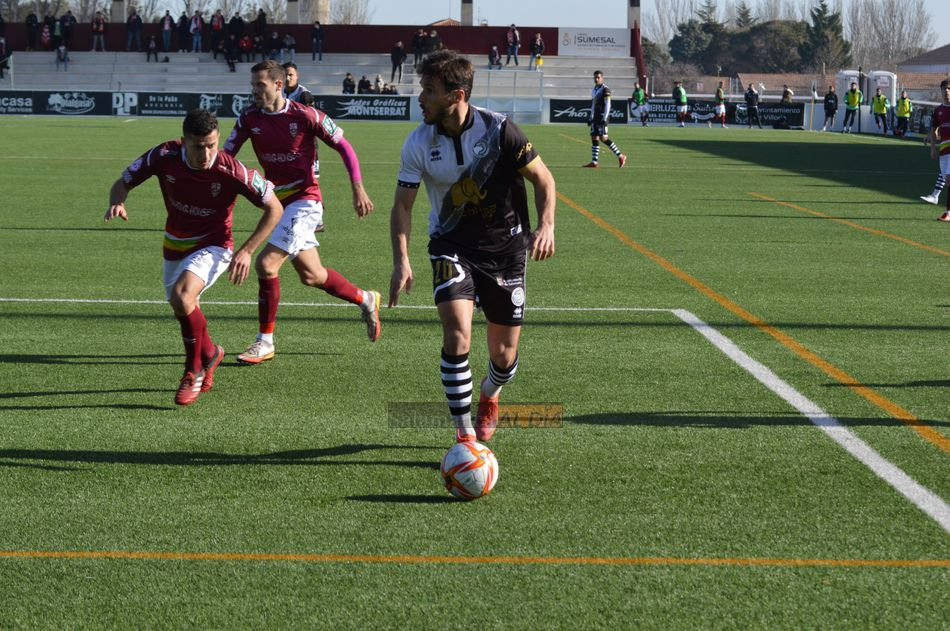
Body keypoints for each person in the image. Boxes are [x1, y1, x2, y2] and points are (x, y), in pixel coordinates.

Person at [389, 50, 556, 443]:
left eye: (429, 90)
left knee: (503, 356)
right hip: (451, 245)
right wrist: (402, 260)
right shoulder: (417, 142)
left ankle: (490, 393)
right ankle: (464, 437)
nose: (420, 97)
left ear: (456, 95)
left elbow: (544, 179)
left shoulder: (500, 131)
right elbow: (402, 206)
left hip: (506, 249)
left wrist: (546, 226)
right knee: (457, 333)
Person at [104, 108, 283, 405]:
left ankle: (193, 371)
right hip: (174, 244)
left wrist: (247, 251)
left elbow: (274, 208)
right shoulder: (163, 155)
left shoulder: (232, 170)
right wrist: (117, 201)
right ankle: (211, 354)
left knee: (182, 296)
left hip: (215, 245)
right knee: (181, 306)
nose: (206, 153)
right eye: (198, 147)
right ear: (184, 141)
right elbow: (123, 181)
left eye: (212, 145)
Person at [222, 60, 380, 364]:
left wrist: (358, 188)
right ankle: (366, 298)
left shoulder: (305, 115)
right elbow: (228, 156)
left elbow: (344, 147)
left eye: (260, 85)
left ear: (278, 85)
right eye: (253, 84)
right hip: (278, 204)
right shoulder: (248, 118)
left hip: (306, 200)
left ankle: (264, 341)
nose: (254, 90)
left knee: (267, 264)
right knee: (313, 275)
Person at [583, 71, 627, 168]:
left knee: (604, 138)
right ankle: (594, 162)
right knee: (594, 137)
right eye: (595, 77)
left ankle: (621, 156)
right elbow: (593, 104)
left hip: (602, 116)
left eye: (598, 77)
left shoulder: (605, 90)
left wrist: (605, 117)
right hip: (596, 117)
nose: (596, 79)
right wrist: (591, 117)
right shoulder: (594, 89)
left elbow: (608, 104)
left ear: (602, 78)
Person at [923, 79, 950, 222]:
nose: (947, 91)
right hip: (944, 151)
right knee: (947, 179)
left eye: (949, 88)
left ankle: (947, 212)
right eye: (944, 89)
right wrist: (932, 149)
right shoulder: (938, 111)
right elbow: (934, 130)